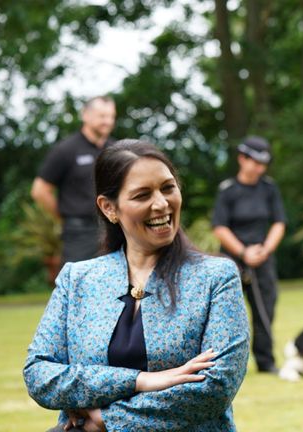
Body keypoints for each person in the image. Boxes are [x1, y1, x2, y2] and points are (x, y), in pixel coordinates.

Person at [23, 140, 250, 431]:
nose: (161, 203)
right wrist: (140, 380)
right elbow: (39, 374)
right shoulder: (77, 279)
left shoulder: (216, 277)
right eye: (143, 195)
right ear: (109, 208)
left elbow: (216, 387)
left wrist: (109, 420)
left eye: (168, 188)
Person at [212, 136, 286, 374]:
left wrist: (264, 250)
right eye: (255, 162)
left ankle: (266, 362)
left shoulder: (269, 188)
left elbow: (278, 222)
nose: (259, 168)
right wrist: (243, 253)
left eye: (263, 164)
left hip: (262, 258)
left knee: (265, 310)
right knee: (228, 315)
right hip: (233, 260)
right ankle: (225, 365)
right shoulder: (228, 191)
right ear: (242, 159)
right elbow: (220, 228)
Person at [31, 95, 117, 265]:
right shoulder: (66, 150)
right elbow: (39, 190)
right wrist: (64, 217)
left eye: (111, 116)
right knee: (77, 287)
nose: (107, 121)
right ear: (85, 115)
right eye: (102, 116)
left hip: (113, 228)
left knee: (119, 287)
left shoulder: (116, 150)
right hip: (79, 233)